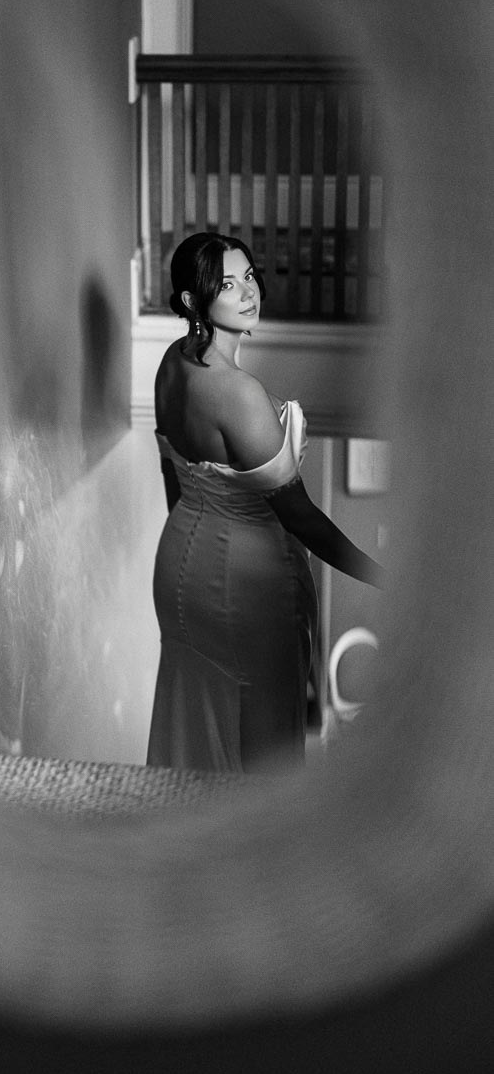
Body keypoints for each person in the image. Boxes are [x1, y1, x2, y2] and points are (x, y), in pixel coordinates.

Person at [146, 232, 384, 774]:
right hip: (249, 584)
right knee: (266, 749)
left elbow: (168, 462)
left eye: (249, 276)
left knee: (196, 709)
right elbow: (299, 517)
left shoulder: (170, 363)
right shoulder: (238, 393)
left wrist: (190, 535)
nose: (247, 292)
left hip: (181, 554)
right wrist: (381, 576)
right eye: (226, 284)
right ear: (191, 300)